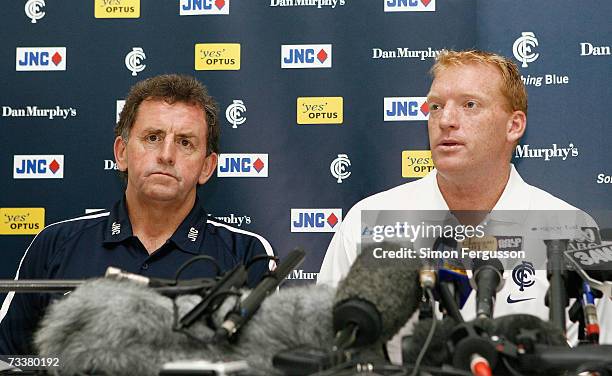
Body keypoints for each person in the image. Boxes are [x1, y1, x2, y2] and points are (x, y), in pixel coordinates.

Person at [317, 50, 611, 359]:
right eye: (436, 106)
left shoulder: (572, 229)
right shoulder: (370, 222)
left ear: (513, 126)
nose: (445, 120)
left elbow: (595, 360)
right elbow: (326, 349)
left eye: (470, 105)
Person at [0, 74, 274, 355]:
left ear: (207, 167)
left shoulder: (247, 255)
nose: (167, 155)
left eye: (185, 142)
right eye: (152, 137)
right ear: (121, 153)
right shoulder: (55, 245)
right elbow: (7, 359)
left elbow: (269, 365)